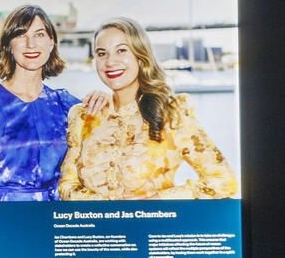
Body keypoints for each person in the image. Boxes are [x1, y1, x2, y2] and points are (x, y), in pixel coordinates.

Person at [58, 17, 238, 200]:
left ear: (140, 56)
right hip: (97, 228)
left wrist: (154, 203)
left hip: (154, 226)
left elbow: (223, 181)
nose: (110, 62)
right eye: (102, 53)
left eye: (121, 50)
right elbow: (66, 186)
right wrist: (109, 210)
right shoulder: (83, 116)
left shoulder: (172, 113)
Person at [0, 5, 83, 201]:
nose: (31, 44)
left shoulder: (66, 104)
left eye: (39, 34)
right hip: (0, 221)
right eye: (21, 35)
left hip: (53, 222)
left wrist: (102, 98)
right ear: (8, 45)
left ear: (51, 43)